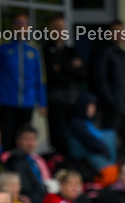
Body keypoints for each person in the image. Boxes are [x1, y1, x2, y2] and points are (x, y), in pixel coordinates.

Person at [0, 13, 47, 153]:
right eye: (18, 23)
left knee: (24, 136)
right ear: (13, 27)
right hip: (6, 101)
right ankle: (4, 165)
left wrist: (42, 102)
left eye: (24, 24)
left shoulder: (34, 50)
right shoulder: (3, 49)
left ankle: (21, 166)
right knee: (6, 136)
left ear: (28, 28)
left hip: (27, 102)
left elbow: (40, 78)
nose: (21, 27)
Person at [43, 16, 85, 156]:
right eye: (57, 27)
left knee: (73, 134)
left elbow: (82, 73)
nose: (60, 31)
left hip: (72, 99)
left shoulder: (70, 50)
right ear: (50, 30)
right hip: (55, 100)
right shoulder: (45, 51)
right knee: (58, 135)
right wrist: (70, 68)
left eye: (62, 28)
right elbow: (51, 75)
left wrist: (62, 68)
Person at [4, 124, 50, 203]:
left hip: (41, 197)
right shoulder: (12, 159)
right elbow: (24, 187)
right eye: (26, 139)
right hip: (28, 201)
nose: (30, 143)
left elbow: (46, 181)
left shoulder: (37, 160)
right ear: (17, 141)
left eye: (33, 139)